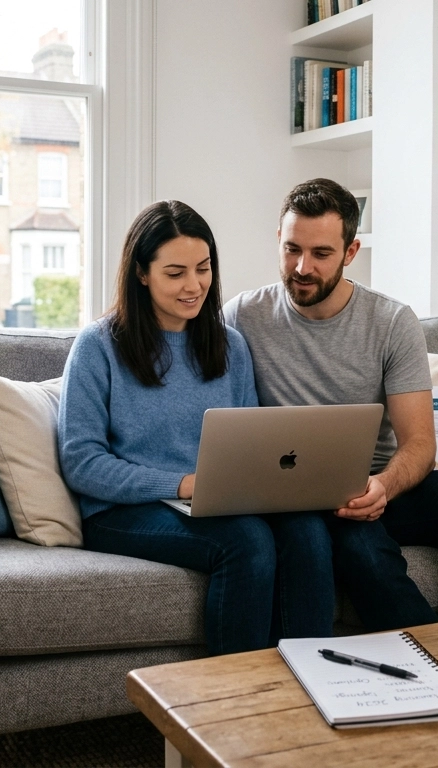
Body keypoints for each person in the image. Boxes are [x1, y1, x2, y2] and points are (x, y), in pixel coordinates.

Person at [224, 178, 438, 631]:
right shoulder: (242, 316)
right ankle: (437, 668)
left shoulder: (391, 322)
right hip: (299, 497)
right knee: (362, 551)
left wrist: (383, 488)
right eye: (292, 249)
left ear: (351, 253)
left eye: (321, 254)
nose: (302, 267)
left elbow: (420, 444)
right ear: (278, 240)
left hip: (383, 485)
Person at [57, 200, 336, 655]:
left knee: (306, 529)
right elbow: (82, 462)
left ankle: (312, 680)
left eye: (203, 269)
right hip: (123, 511)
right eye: (175, 273)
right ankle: (233, 699)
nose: (194, 285)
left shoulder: (230, 345)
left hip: (215, 501)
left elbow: (252, 444)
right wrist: (182, 483)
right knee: (247, 543)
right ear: (141, 273)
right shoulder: (98, 346)